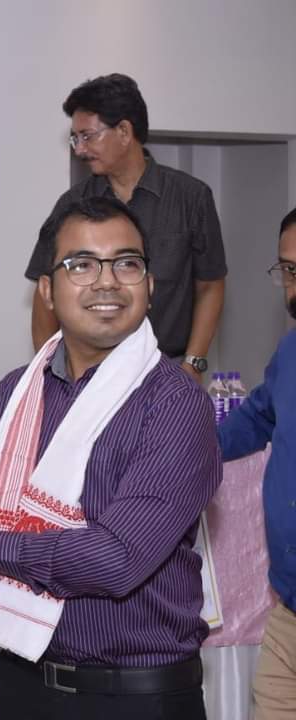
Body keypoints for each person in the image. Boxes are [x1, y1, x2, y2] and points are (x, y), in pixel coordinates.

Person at [0, 197, 221, 718]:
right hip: (24, 681)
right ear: (47, 290)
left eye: (126, 263)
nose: (106, 282)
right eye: (81, 265)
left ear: (150, 285)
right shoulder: (19, 390)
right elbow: (12, 521)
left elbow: (116, 560)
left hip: (132, 697)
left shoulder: (174, 403)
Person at [25, 73, 227, 379]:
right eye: (75, 138)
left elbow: (211, 286)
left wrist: (193, 363)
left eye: (88, 136)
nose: (79, 149)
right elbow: (44, 295)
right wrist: (47, 375)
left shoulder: (191, 197)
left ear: (123, 131)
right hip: (87, 376)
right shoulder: (72, 204)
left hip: (166, 372)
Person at [217, 207, 296, 719]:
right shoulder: (291, 353)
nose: (294, 284)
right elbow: (255, 419)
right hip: (289, 615)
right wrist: (177, 444)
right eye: (289, 269)